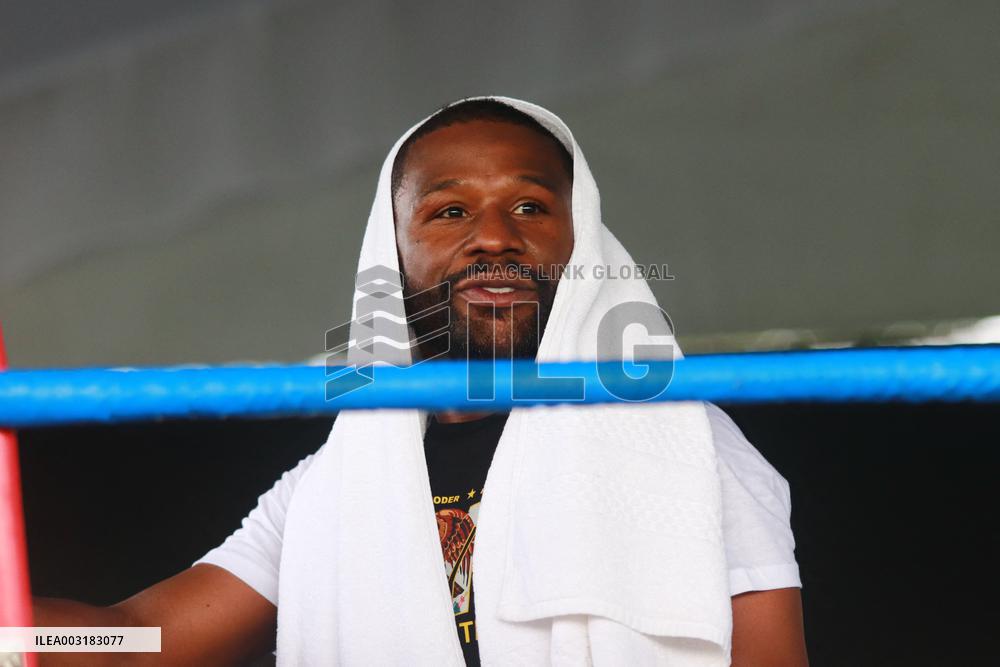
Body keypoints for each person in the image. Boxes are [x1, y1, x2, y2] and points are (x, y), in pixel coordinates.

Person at [33, 97, 807, 666]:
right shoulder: (326, 493)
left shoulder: (690, 445)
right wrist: (14, 634)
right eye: (449, 211)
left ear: (582, 239)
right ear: (392, 255)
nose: (495, 236)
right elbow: (129, 643)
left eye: (531, 205)